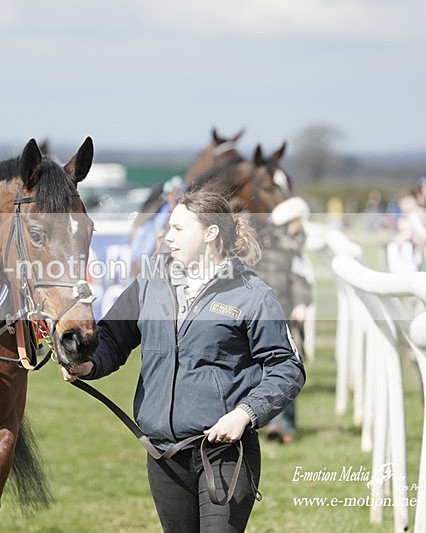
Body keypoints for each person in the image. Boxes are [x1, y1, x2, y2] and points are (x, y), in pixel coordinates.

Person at [63, 186, 305, 532]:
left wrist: (244, 414)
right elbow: (114, 338)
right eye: (169, 227)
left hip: (224, 454)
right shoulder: (150, 281)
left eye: (178, 229)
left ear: (210, 233)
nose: (167, 236)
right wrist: (89, 364)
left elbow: (287, 368)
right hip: (163, 455)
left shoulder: (253, 296)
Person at [257, 197, 314, 443]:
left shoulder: (292, 247)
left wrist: (301, 304)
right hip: (262, 314)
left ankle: (285, 424)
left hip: (282, 313)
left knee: (285, 368)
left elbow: (299, 278)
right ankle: (272, 421)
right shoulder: (267, 243)